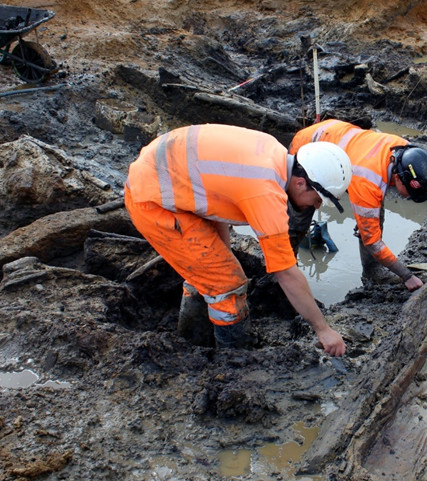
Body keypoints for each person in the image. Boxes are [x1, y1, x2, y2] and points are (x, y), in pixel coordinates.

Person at [124, 124, 353, 356]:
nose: (315, 206)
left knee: (214, 271)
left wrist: (222, 255)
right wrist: (323, 330)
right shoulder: (266, 193)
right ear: (301, 183)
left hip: (168, 175)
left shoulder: (273, 152)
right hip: (154, 200)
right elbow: (286, 273)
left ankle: (193, 339)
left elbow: (215, 199)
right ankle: (233, 358)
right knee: (227, 285)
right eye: (317, 199)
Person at [289, 119, 427, 292]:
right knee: (299, 218)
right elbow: (373, 241)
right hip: (307, 150)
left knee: (373, 216)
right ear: (398, 178)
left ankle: (372, 270)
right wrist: (407, 275)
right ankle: (286, 274)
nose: (410, 198)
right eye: (411, 193)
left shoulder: (405, 151)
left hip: (336, 137)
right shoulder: (368, 181)